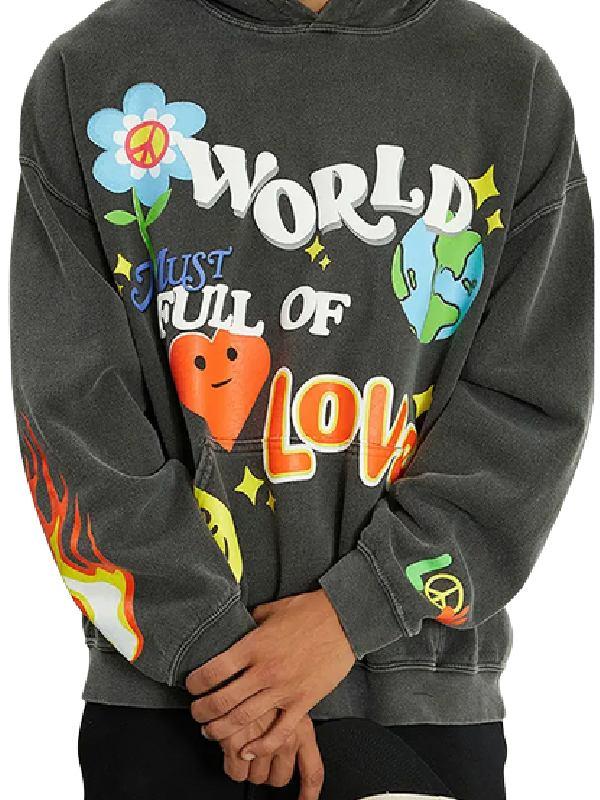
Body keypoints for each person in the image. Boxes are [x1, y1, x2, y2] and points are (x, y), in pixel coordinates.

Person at [10, 1, 592, 799]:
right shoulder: (91, 73)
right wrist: (218, 656)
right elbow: (73, 411)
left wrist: (359, 609)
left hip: (413, 696)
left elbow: (529, 410)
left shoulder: (507, 84)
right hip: (167, 706)